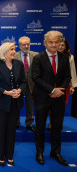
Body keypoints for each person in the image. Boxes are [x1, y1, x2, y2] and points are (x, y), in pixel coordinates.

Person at [32, 30, 71, 166]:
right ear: (45, 43)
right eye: (50, 42)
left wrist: (59, 91)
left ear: (60, 43)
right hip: (43, 97)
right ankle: (40, 152)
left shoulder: (65, 58)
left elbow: (68, 77)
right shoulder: (38, 58)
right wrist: (52, 90)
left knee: (57, 126)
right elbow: (36, 77)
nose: (54, 45)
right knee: (41, 126)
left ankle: (55, 152)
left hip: (59, 98)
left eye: (56, 42)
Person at [0, 42, 26, 167]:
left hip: (15, 104)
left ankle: (9, 155)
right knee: (1, 131)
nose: (14, 51)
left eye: (14, 49)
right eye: (12, 49)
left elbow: (23, 82)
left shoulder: (19, 64)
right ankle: (0, 156)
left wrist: (19, 90)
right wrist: (7, 92)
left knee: (12, 131)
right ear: (5, 51)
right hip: (1, 104)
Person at [15, 36, 38, 132]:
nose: (26, 46)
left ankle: (29, 123)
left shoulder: (36, 55)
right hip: (18, 85)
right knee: (16, 105)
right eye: (23, 45)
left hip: (32, 85)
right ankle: (16, 122)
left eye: (28, 44)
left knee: (30, 105)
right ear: (19, 46)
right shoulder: (14, 56)